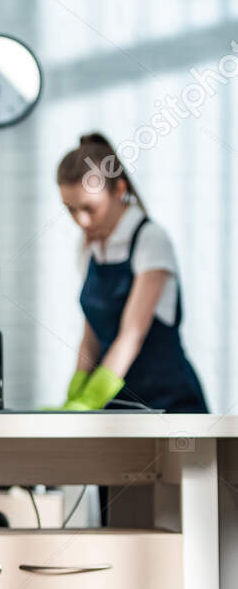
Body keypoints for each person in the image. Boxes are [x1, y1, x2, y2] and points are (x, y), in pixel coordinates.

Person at [53, 132, 208, 413]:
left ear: (119, 190)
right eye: (70, 210)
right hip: (117, 403)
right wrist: (75, 393)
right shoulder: (88, 247)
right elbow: (91, 334)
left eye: (90, 208)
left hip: (169, 403)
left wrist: (90, 400)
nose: (81, 221)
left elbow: (131, 335)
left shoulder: (150, 240)